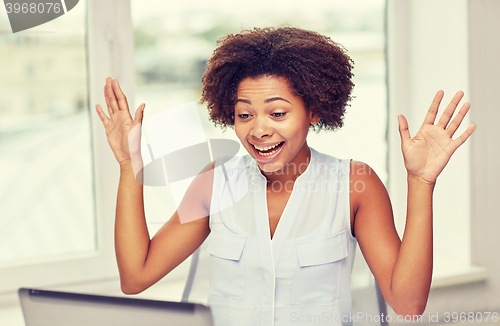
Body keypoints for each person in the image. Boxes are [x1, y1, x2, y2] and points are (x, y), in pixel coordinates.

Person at [95, 27, 476, 326]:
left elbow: (408, 304)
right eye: (245, 115)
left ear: (314, 111)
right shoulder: (216, 182)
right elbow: (135, 276)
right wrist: (130, 168)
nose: (258, 130)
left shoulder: (354, 185)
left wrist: (421, 183)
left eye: (277, 113)